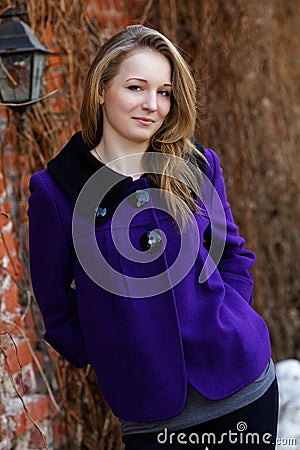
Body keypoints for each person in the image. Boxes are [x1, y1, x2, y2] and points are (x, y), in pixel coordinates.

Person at [27, 25, 278, 449]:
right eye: (136, 87)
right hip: (150, 412)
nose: (152, 105)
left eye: (164, 92)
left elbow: (233, 254)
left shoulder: (197, 165)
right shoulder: (57, 191)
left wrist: (226, 313)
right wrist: (116, 350)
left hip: (243, 388)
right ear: (101, 90)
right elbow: (55, 307)